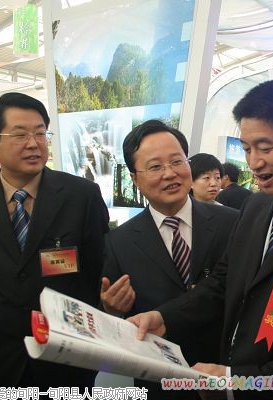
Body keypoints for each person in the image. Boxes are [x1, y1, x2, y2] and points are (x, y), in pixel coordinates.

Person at [129, 79, 273, 399]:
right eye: (247, 149)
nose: (253, 163)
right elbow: (223, 282)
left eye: (265, 147)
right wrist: (165, 318)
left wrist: (238, 382)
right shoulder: (256, 206)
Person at [0, 92, 109, 393]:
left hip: (65, 360)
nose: (34, 144)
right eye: (20, 135)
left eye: (40, 134)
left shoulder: (81, 196)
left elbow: (94, 272)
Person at [101, 120, 238, 399]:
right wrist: (111, 310)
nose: (169, 173)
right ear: (135, 178)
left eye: (177, 161)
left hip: (225, 373)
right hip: (160, 381)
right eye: (155, 167)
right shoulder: (118, 242)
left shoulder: (233, 223)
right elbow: (117, 323)